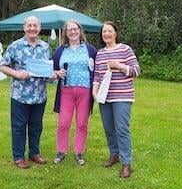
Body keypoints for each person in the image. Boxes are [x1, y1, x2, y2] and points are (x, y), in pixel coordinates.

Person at [0, 16, 50, 169]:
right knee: (19, 127)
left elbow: (46, 69)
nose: (32, 28)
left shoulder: (45, 47)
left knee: (36, 126)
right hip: (20, 95)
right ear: (24, 28)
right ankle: (19, 156)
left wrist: (52, 74)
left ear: (39, 28)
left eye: (35, 25)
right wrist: (16, 74)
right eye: (29, 25)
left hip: (40, 95)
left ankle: (34, 153)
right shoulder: (15, 46)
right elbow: (2, 66)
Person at [92, 21, 140, 178]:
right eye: (104, 31)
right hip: (105, 96)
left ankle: (127, 164)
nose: (106, 34)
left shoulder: (125, 49)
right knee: (109, 129)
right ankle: (114, 155)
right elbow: (98, 75)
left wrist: (119, 66)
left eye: (109, 31)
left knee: (121, 129)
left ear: (115, 33)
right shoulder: (100, 53)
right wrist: (94, 91)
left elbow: (136, 70)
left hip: (122, 95)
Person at [53, 19, 97, 165]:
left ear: (80, 31)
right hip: (66, 90)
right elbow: (53, 71)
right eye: (69, 29)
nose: (73, 31)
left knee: (82, 123)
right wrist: (57, 73)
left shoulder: (89, 49)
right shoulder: (60, 50)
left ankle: (79, 152)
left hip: (85, 90)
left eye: (75, 29)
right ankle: (61, 151)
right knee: (63, 123)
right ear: (65, 33)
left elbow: (97, 70)